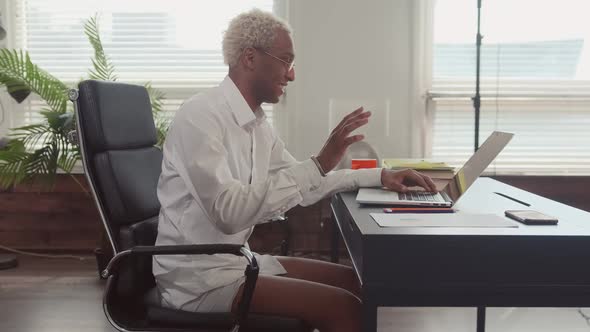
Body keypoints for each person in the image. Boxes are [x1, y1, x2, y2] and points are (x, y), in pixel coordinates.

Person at [153, 8, 437, 332]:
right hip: (198, 281)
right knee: (342, 307)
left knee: (357, 282)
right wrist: (318, 163)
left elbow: (309, 186)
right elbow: (228, 213)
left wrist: (379, 177)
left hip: (236, 262)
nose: (291, 75)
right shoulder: (200, 117)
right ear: (250, 58)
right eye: (286, 60)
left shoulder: (257, 126)